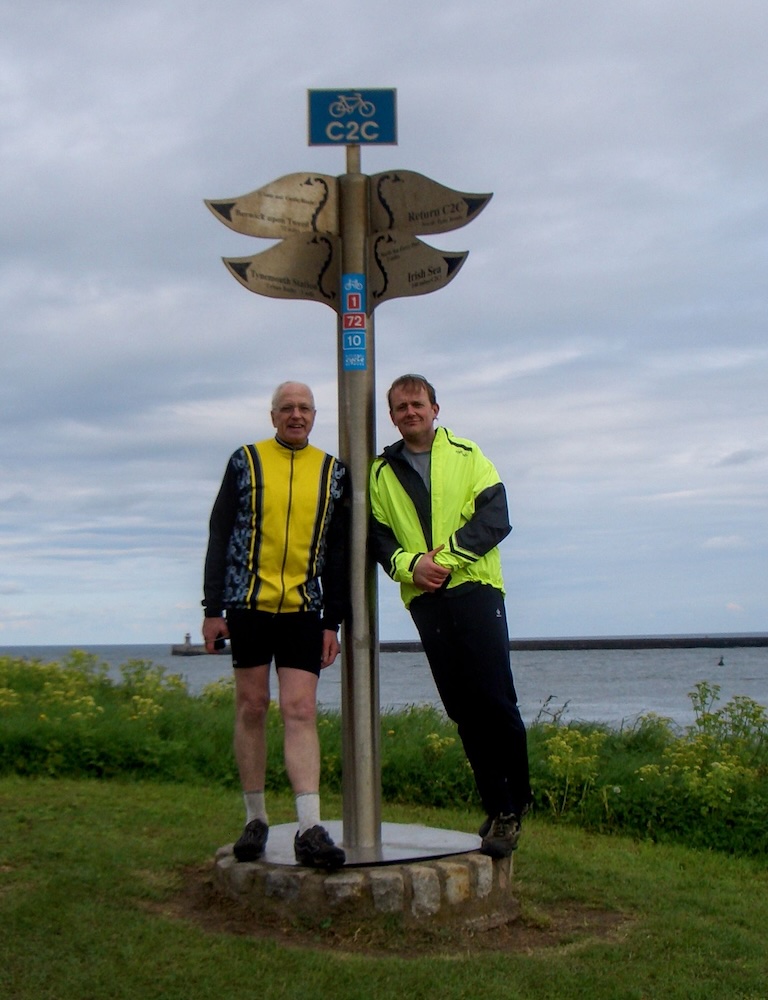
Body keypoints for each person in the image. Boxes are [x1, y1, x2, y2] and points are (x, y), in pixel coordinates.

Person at [369, 374, 532, 858]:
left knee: (496, 700)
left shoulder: (468, 455)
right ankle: (498, 803)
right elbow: (378, 537)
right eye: (400, 407)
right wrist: (411, 567)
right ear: (393, 416)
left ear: (435, 409)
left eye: (417, 404)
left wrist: (446, 559)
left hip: (475, 588)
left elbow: (496, 517)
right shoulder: (381, 472)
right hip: (425, 599)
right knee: (462, 709)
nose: (409, 412)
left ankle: (512, 805)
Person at [202, 381, 349, 870]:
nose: (296, 415)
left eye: (304, 408)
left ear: (314, 415)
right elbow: (220, 530)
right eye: (287, 408)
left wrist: (334, 621)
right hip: (247, 603)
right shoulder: (245, 460)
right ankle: (256, 818)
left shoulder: (333, 472)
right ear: (272, 416)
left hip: (305, 608)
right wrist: (212, 608)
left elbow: (340, 553)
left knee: (301, 709)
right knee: (251, 706)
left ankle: (309, 827)